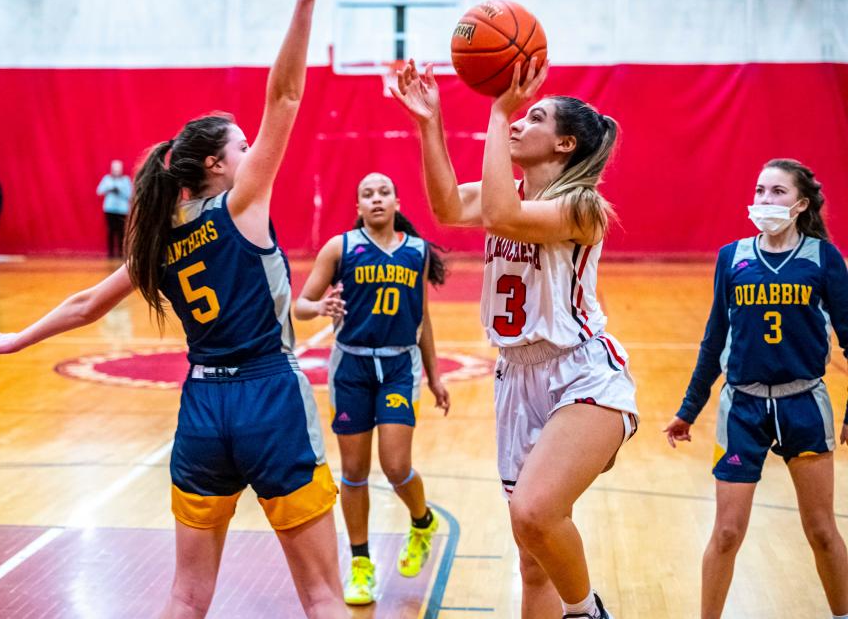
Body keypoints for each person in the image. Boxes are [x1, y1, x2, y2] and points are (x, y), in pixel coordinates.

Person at [0, 0, 346, 617]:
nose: (251, 150)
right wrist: (305, 2)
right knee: (320, 596)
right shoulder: (242, 204)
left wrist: (15, 340)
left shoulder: (158, 239)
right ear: (216, 165)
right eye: (241, 145)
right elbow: (285, 96)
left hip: (203, 407)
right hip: (269, 397)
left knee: (185, 597)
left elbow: (87, 304)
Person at [391, 59, 637, 619]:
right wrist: (429, 123)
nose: (523, 123)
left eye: (536, 118)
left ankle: (587, 613)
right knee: (532, 556)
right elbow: (448, 207)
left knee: (532, 512)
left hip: (581, 371)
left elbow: (500, 214)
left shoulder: (583, 207)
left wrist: (500, 111)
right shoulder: (514, 193)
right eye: (521, 116)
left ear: (565, 144)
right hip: (517, 376)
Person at [664, 159, 848, 619]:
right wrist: (689, 408)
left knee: (823, 530)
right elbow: (714, 338)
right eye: (760, 190)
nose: (765, 200)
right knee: (726, 533)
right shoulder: (732, 257)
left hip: (805, 404)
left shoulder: (824, 259)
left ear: (801, 204)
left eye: (777, 192)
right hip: (742, 409)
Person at [294, 172, 450, 605]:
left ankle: (421, 521)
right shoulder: (340, 248)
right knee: (355, 471)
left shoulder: (416, 252)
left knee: (397, 464)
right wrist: (320, 305)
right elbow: (301, 305)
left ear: (397, 202)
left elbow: (423, 320)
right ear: (359, 206)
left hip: (400, 365)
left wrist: (435, 376)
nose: (377, 199)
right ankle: (361, 564)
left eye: (384, 192)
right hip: (352, 368)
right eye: (368, 194)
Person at [97, 159, 132, 258]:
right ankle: (111, 252)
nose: (116, 172)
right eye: (115, 169)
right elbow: (99, 191)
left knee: (122, 231)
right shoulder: (107, 179)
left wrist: (120, 190)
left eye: (118, 170)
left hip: (122, 210)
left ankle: (121, 252)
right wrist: (109, 188)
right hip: (110, 209)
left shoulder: (125, 180)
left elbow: (130, 194)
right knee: (111, 231)